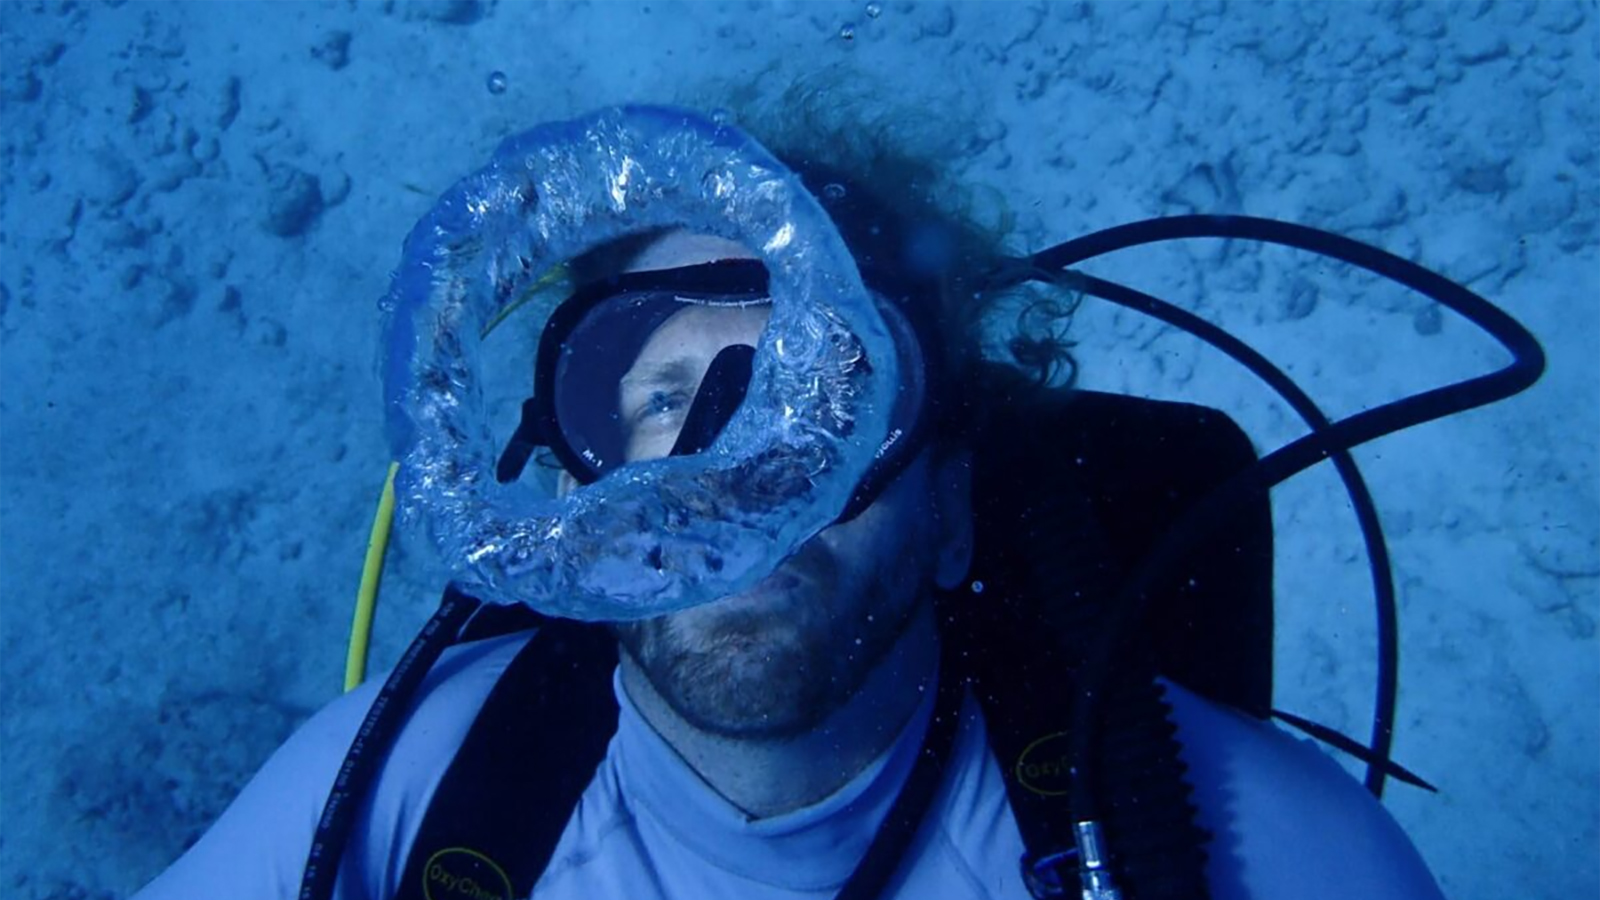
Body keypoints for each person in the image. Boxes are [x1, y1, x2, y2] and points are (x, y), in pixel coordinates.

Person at [134, 109, 1448, 900]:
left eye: (823, 410)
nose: (732, 485)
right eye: (657, 403)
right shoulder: (396, 801)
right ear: (572, 498)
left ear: (950, 513)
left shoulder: (1252, 847)